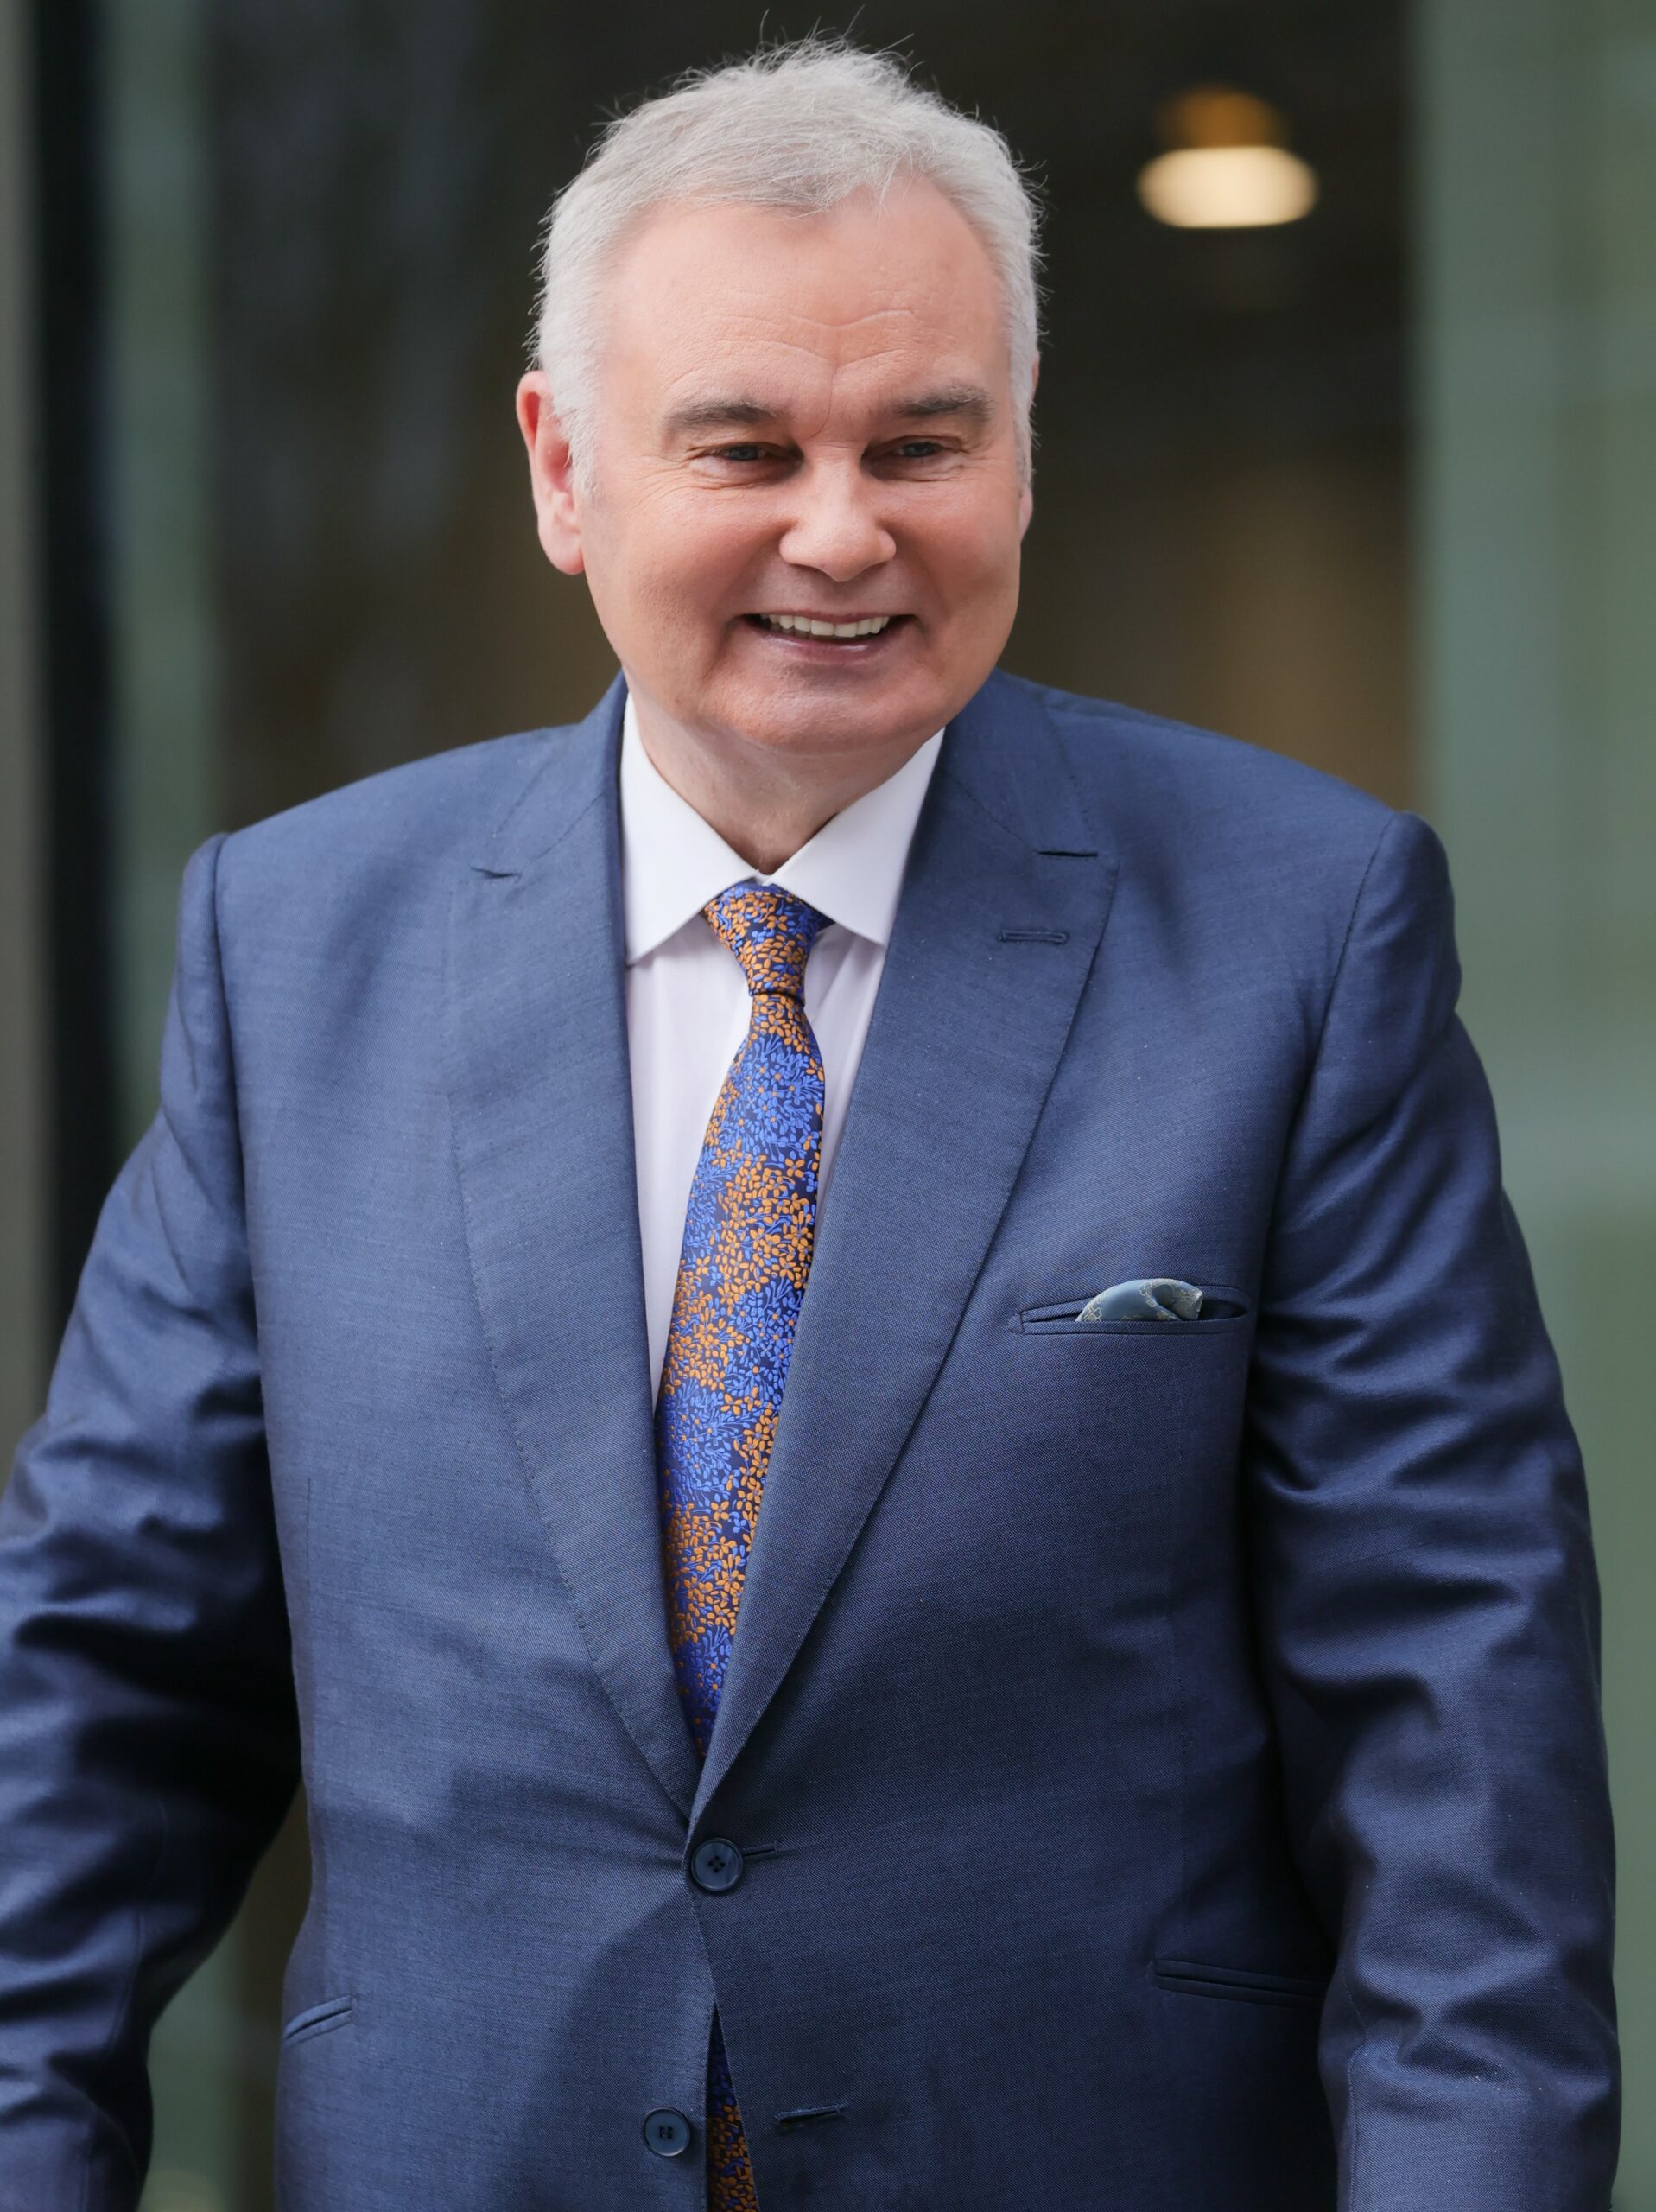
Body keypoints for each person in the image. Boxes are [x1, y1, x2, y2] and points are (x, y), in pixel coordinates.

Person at [0, 37, 1617, 2212]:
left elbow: (1455, 1740)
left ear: (1018, 461)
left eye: (919, 441)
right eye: (743, 444)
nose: (840, 528)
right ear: (564, 470)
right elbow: (93, 1695)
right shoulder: (294, 947)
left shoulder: (1293, 928)